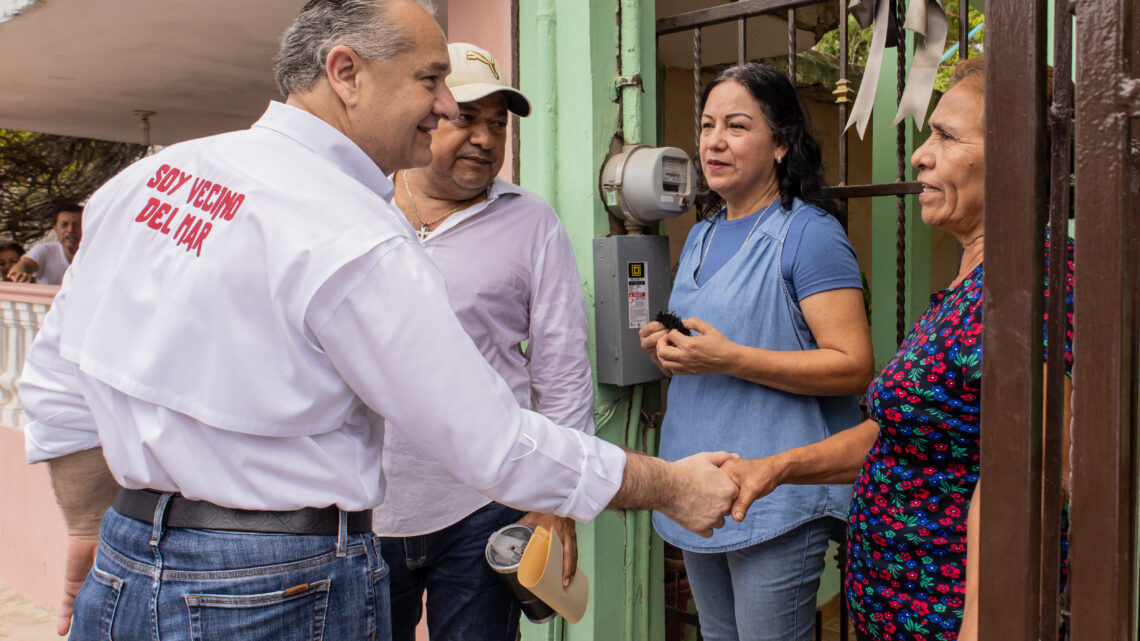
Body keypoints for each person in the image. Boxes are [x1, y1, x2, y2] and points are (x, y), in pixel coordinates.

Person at [19, 2, 741, 639]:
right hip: (277, 586)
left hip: (124, 555)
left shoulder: (155, 178)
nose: (440, 107)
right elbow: (488, 439)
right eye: (430, 81)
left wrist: (87, 526)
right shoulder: (353, 230)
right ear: (346, 72)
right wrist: (671, 486)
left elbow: (55, 383)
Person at [721, 57, 1075, 641]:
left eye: (945, 136)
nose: (919, 153)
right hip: (896, 607)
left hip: (953, 616)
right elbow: (898, 431)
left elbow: (1028, 476)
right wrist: (778, 468)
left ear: (1016, 158)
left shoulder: (1033, 279)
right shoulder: (969, 285)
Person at [638, 62, 874, 641]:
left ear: (781, 145)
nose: (714, 141)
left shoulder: (809, 234)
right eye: (707, 125)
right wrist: (669, 349)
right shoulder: (702, 233)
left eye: (737, 126)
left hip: (775, 496)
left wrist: (727, 358)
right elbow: (709, 345)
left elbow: (852, 366)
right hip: (697, 485)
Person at [376, 42, 591, 641]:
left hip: (486, 506)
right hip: (363, 507)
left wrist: (557, 500)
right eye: (467, 118)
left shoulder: (532, 221)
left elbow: (563, 369)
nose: (486, 139)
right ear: (425, 114)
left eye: (498, 124)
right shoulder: (360, 207)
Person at [7, 203, 82, 284]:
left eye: (77, 225)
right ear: (55, 229)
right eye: (64, 225)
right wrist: (20, 274)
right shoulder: (45, 250)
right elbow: (25, 264)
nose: (71, 230)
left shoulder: (94, 255)